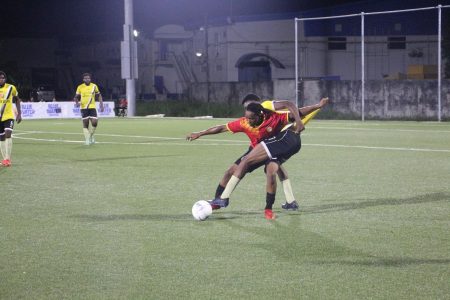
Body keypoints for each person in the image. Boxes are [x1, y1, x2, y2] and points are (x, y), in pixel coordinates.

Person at [187, 99, 304, 219]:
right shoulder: (244, 123)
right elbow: (222, 128)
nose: (248, 120)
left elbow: (296, 110)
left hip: (272, 149)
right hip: (255, 151)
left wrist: (315, 108)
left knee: (271, 172)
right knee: (230, 171)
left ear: (260, 115)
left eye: (251, 118)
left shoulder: (273, 118)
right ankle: (217, 202)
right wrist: (200, 133)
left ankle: (269, 209)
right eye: (246, 117)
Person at [74, 73, 104, 145]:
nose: (87, 79)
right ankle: (87, 140)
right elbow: (76, 97)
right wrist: (77, 103)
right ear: (83, 79)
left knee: (95, 123)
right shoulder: (80, 87)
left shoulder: (94, 86)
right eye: (86, 78)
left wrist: (101, 104)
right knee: (86, 124)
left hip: (92, 107)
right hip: (84, 108)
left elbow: (99, 95)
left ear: (90, 79)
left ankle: (91, 135)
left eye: (88, 78)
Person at [0, 71, 22, 167]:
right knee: (1, 138)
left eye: (3, 78)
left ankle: (8, 159)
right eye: (0, 78)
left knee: (8, 135)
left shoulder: (10, 87)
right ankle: (4, 159)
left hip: (9, 116)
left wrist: (19, 113)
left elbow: (17, 99)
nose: (2, 79)